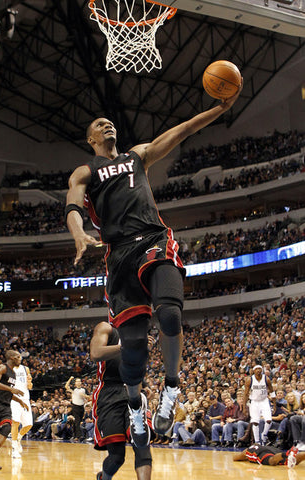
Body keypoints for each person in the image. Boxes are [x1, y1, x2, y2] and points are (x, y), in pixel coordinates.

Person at [66, 84, 242, 447]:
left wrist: (219, 110)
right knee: (135, 348)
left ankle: (172, 388)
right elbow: (72, 204)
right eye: (100, 124)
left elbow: (183, 130)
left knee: (170, 316)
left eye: (110, 122)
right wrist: (78, 233)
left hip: (153, 239)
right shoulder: (85, 171)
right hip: (118, 256)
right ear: (90, 138)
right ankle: (135, 405)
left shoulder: (137, 155)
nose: (107, 125)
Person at [90, 321, 152, 480]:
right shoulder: (106, 328)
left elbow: (133, 364)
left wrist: (143, 384)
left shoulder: (139, 333)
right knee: (117, 457)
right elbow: (95, 353)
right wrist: (128, 347)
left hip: (133, 389)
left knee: (142, 445)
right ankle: (104, 477)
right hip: (109, 393)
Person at [243, 365, 275, 445]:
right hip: (254, 401)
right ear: (253, 371)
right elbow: (246, 394)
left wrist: (274, 404)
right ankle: (257, 441)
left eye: (259, 369)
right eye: (256, 369)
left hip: (264, 401)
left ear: (262, 370)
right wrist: (244, 407)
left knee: (268, 420)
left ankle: (264, 435)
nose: (258, 370)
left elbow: (272, 391)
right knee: (255, 422)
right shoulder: (249, 380)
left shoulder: (266, 379)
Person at [10, 360, 33, 458]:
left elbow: (30, 387)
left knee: (29, 425)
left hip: (25, 398)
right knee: (16, 422)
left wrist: (29, 382)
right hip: (15, 399)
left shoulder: (25, 368)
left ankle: (18, 438)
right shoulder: (8, 369)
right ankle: (14, 447)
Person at [233, 444, 303, 468]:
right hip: (273, 449)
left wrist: (244, 458)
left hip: (260, 453)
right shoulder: (262, 446)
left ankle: (287, 454)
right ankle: (288, 454)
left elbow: (235, 458)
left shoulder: (247, 451)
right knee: (294, 460)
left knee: (272, 461)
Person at [65, 376, 89, 441]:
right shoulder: (74, 389)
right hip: (75, 406)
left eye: (79, 381)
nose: (78, 382)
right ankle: (79, 436)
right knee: (77, 421)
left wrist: (84, 396)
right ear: (75, 383)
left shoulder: (84, 389)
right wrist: (70, 379)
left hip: (81, 406)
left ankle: (75, 435)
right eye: (77, 381)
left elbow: (89, 397)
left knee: (77, 422)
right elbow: (66, 386)